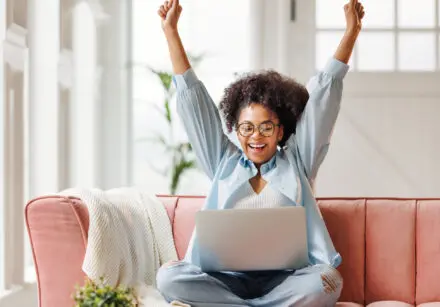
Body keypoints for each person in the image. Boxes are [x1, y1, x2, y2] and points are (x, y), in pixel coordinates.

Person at [156, 0, 365, 306]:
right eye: (246, 128)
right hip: (226, 279)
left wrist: (351, 33)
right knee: (168, 278)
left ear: (281, 130)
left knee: (328, 281)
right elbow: (193, 105)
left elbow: (323, 100)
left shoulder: (297, 161)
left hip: (288, 280)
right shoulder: (223, 162)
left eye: (266, 128)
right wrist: (171, 32)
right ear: (235, 130)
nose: (256, 137)